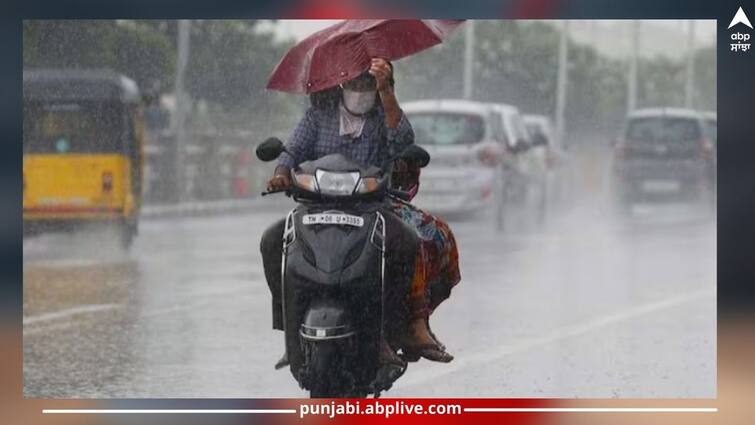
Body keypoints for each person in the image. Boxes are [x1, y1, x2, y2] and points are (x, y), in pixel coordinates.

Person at [260, 58, 460, 369]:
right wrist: (281, 172)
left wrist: (387, 91)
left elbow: (403, 140)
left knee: (409, 241)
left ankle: (397, 328)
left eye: (368, 83)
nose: (360, 90)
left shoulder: (384, 114)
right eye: (354, 83)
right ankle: (290, 329)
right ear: (340, 83)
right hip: (317, 206)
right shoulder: (318, 116)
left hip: (374, 207)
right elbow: (292, 150)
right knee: (272, 241)